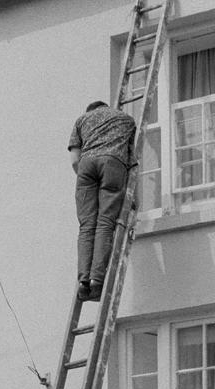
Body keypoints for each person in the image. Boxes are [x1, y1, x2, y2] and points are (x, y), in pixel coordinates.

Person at [68, 100, 136, 301]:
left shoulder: (82, 120)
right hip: (113, 162)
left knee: (87, 226)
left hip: (87, 165)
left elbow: (74, 160)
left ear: (91, 110)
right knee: (105, 222)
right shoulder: (126, 120)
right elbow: (132, 160)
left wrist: (85, 180)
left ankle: (83, 282)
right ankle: (97, 281)